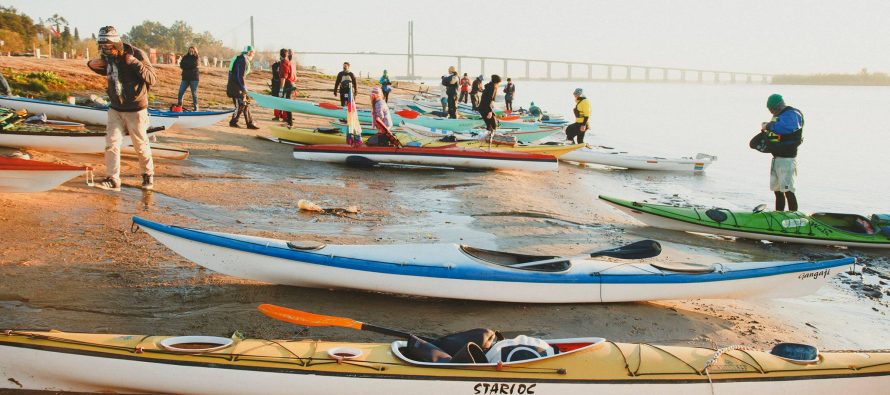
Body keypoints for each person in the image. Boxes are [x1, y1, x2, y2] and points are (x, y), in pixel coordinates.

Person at [86, 26, 156, 191]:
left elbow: (152, 78)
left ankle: (147, 175)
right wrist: (92, 65)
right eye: (102, 46)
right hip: (115, 108)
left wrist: (134, 63)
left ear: (116, 43)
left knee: (140, 145)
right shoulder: (108, 56)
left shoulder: (136, 54)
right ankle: (113, 179)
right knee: (111, 143)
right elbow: (110, 72)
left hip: (136, 109)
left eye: (108, 45)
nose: (105, 49)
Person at [761, 93, 804, 211]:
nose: (771, 112)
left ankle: (794, 216)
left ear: (777, 106)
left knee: (788, 190)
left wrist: (768, 126)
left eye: (771, 109)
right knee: (778, 191)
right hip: (777, 158)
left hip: (787, 159)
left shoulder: (792, 114)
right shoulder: (778, 116)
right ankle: (779, 215)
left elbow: (783, 128)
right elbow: (774, 135)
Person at [227, 45, 258, 129]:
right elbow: (240, 76)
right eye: (253, 53)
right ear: (248, 52)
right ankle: (233, 122)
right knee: (240, 104)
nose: (253, 54)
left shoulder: (242, 59)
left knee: (246, 102)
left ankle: (249, 123)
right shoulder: (243, 60)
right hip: (235, 86)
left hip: (238, 85)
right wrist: (244, 88)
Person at [176, 46, 199, 111]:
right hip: (185, 78)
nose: (191, 51)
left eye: (192, 50)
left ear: (194, 51)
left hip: (194, 78)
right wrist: (187, 65)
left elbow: (193, 65)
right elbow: (181, 65)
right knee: (180, 92)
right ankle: (179, 105)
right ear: (188, 50)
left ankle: (196, 107)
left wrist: (186, 66)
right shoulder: (185, 57)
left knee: (194, 93)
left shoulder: (196, 57)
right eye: (190, 50)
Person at [278, 48, 297, 127]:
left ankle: (290, 123)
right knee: (287, 103)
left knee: (287, 104)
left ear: (280, 55)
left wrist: (281, 90)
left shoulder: (284, 63)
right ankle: (289, 121)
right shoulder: (290, 63)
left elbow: (283, 78)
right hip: (292, 84)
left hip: (288, 85)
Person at [270, 49, 284, 121]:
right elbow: (276, 76)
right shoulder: (276, 66)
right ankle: (278, 116)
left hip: (280, 86)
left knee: (281, 100)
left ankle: (281, 115)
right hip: (277, 86)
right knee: (278, 101)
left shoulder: (277, 65)